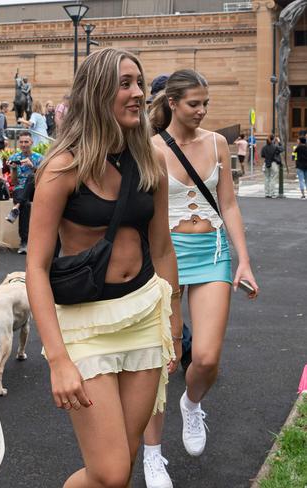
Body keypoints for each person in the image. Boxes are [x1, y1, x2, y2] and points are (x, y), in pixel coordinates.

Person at [26, 48, 182, 487]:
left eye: (139, 83)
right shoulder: (63, 167)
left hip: (144, 317)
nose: (137, 94)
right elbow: (36, 267)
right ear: (96, 94)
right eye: (125, 84)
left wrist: (174, 321)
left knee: (124, 459)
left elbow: (163, 247)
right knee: (111, 473)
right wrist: (57, 359)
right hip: (86, 326)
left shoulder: (151, 161)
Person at [145, 69, 259, 487]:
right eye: (194, 103)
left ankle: (192, 405)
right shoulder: (151, 148)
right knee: (162, 361)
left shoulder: (218, 143)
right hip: (165, 259)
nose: (202, 111)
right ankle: (152, 454)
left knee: (206, 358)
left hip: (212, 254)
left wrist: (243, 260)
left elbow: (228, 205)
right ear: (172, 103)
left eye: (205, 103)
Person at [5, 131, 42, 254]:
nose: (23, 144)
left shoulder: (39, 158)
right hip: (20, 189)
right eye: (21, 142)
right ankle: (24, 242)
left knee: (31, 176)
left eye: (26, 141)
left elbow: (44, 177)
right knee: (25, 205)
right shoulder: (14, 158)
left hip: (35, 188)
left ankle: (17, 206)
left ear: (31, 142)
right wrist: (14, 169)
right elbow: (14, 182)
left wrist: (32, 166)